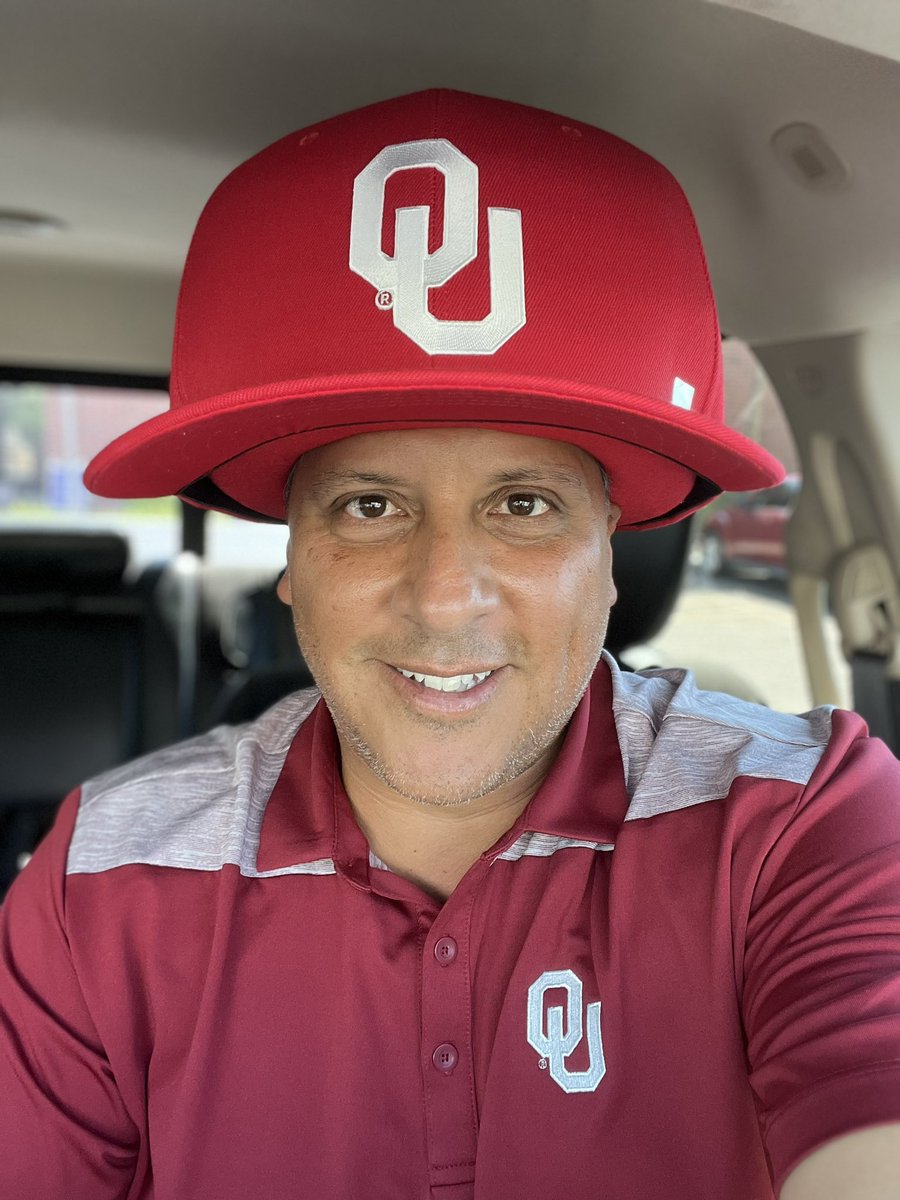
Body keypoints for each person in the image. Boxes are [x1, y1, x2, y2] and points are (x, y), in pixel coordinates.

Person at [1, 89, 899, 1200]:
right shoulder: (102, 876)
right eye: (369, 506)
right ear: (294, 563)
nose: (443, 600)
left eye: (524, 506)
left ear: (610, 556)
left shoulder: (798, 821)